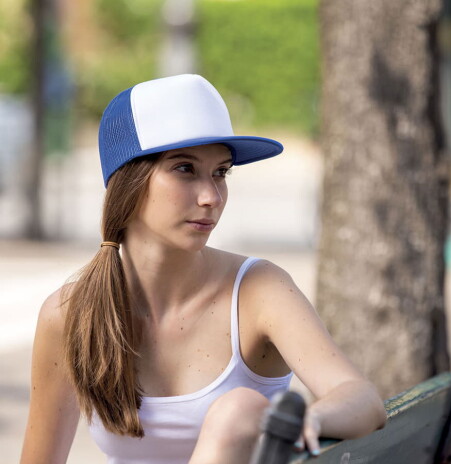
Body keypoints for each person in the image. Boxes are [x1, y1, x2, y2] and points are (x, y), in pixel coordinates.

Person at [20, 74, 386, 464]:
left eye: (221, 172)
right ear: (128, 182)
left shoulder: (259, 290)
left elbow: (362, 399)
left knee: (241, 409)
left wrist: (310, 419)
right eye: (185, 169)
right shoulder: (69, 315)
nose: (211, 197)